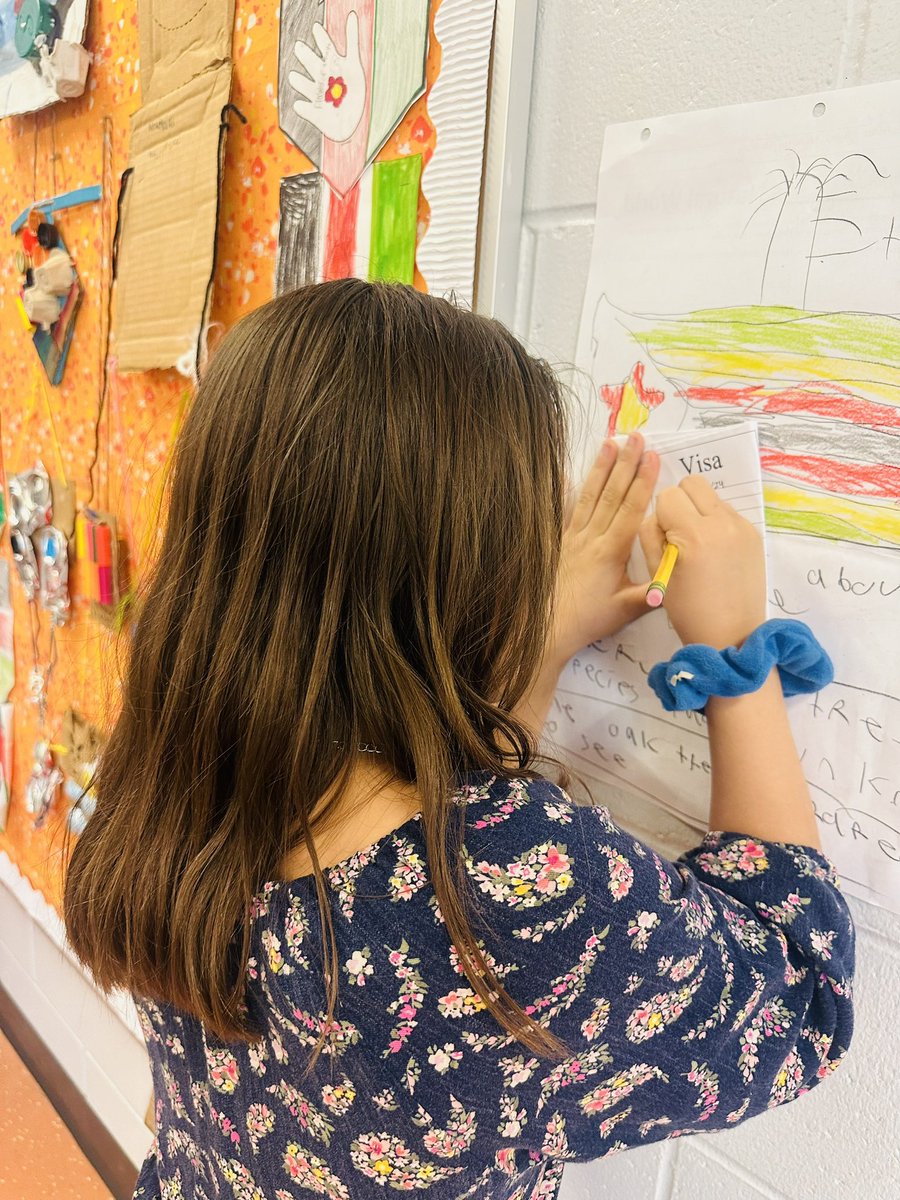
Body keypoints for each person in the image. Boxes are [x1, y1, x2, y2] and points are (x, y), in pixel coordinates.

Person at [64, 281, 854, 1200]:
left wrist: (537, 650)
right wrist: (734, 659)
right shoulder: (504, 883)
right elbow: (801, 1002)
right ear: (472, 575)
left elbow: (406, 829)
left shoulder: (178, 760)